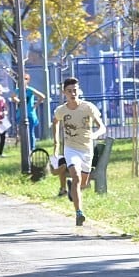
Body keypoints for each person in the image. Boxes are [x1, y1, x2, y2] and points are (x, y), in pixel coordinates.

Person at [51, 77, 106, 225]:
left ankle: (72, 189)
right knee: (76, 177)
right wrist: (56, 141)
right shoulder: (61, 110)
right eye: (69, 91)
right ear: (64, 93)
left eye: (75, 90)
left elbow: (102, 126)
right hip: (71, 149)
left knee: (83, 183)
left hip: (87, 149)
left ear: (78, 90)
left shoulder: (88, 107)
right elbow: (55, 122)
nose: (72, 93)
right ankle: (79, 213)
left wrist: (95, 134)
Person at [16, 74, 46, 151]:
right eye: (21, 79)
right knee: (22, 133)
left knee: (30, 132)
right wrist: (18, 101)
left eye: (25, 79)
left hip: (30, 114)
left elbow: (42, 96)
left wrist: (35, 106)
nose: (23, 81)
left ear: (28, 80)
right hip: (20, 114)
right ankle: (24, 149)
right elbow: (13, 97)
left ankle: (32, 149)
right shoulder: (18, 90)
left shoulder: (30, 90)